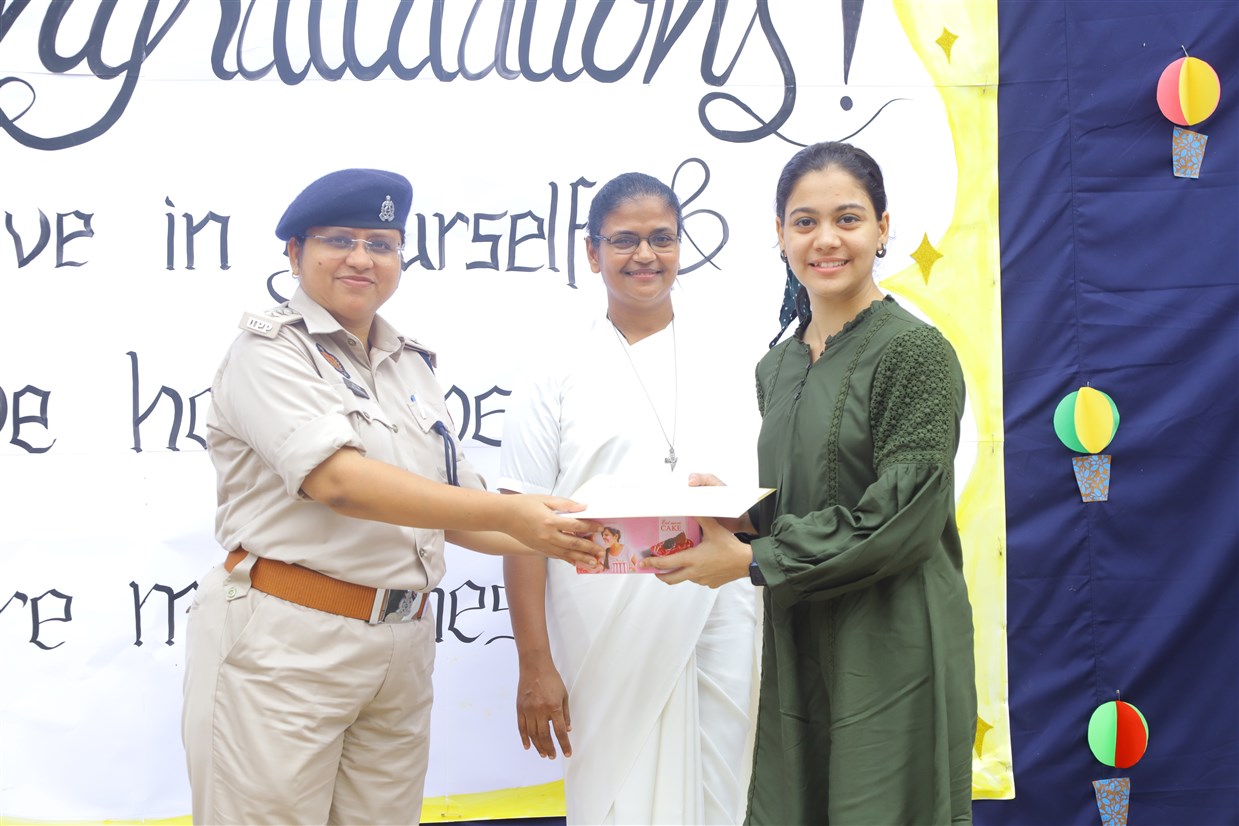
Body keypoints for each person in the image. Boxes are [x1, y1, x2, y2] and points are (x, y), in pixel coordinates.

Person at [181, 168, 603, 825]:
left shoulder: (409, 364)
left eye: (380, 244)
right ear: (294, 252)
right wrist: (512, 513)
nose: (361, 258)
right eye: (339, 240)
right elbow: (339, 482)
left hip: (401, 646)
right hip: (287, 642)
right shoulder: (267, 353)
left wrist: (592, 533)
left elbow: (455, 506)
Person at [645, 142, 977, 825]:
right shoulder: (778, 368)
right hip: (801, 634)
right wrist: (740, 517)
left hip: (892, 638)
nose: (825, 240)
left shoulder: (914, 352)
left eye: (847, 219)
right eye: (804, 222)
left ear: (882, 228)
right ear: (780, 235)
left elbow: (903, 519)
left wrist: (753, 559)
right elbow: (814, 497)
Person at [499, 172, 761, 825]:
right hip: (600, 618)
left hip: (716, 607)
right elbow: (519, 525)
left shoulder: (736, 357)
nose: (645, 254)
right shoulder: (552, 368)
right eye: (624, 240)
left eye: (661, 238)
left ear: (681, 247)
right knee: (615, 794)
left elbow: (770, 500)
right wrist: (534, 663)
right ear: (592, 253)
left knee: (722, 791)